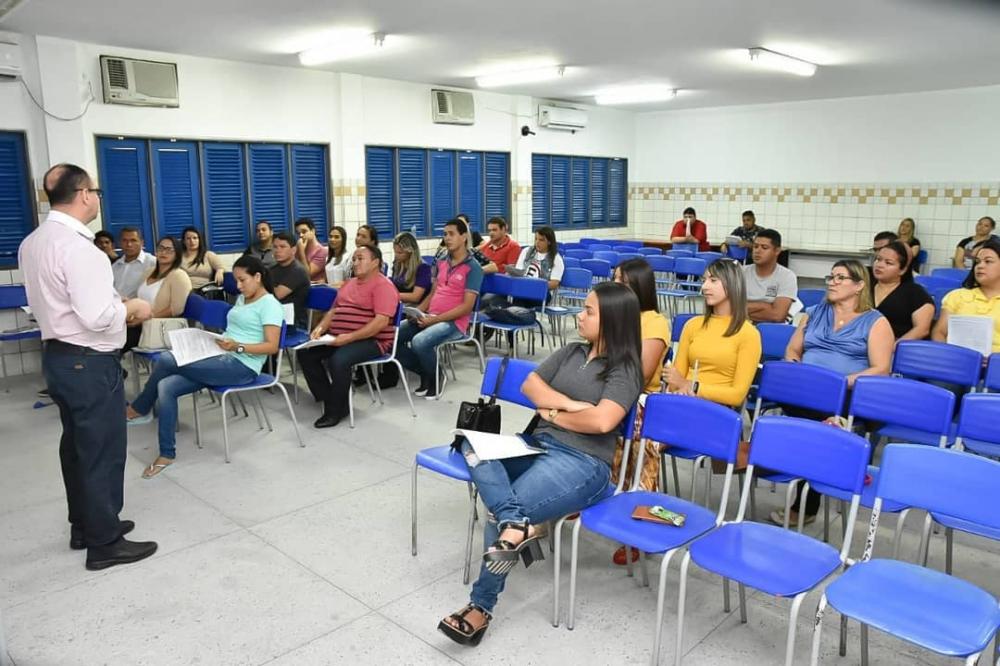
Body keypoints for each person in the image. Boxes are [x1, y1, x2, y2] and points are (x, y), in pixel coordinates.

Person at [437, 281, 643, 646]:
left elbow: (601, 423)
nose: (580, 315)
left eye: (589, 311)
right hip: (538, 443)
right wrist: (573, 407)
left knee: (498, 508)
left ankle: (480, 607)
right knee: (469, 444)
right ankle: (516, 523)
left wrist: (553, 412)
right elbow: (531, 386)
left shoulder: (625, 369)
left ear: (611, 320)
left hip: (585, 462)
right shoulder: (571, 352)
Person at [20, 163, 157, 570]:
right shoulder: (82, 250)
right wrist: (132, 307)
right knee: (101, 450)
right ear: (83, 194)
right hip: (89, 362)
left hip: (59, 359)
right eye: (95, 191)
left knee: (77, 448)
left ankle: (85, 524)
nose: (98, 198)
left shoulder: (34, 242)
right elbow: (97, 316)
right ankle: (105, 543)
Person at [126, 256, 283, 478]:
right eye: (236, 281)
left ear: (258, 277)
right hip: (219, 357)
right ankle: (167, 454)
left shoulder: (270, 305)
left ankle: (139, 408)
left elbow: (272, 347)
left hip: (241, 366)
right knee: (166, 386)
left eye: (242, 280)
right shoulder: (243, 298)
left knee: (166, 359)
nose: (238, 286)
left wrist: (237, 347)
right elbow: (235, 329)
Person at [777, 259, 893, 525]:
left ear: (859, 285)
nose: (832, 282)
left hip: (847, 393)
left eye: (841, 278)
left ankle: (805, 503)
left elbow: (881, 369)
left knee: (818, 426)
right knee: (806, 418)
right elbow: (793, 350)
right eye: (831, 277)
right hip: (806, 390)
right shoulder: (814, 312)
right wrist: (795, 368)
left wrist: (842, 382)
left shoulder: (875, 322)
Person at [299, 245, 400, 428]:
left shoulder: (383, 286)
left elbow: (380, 323)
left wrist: (349, 337)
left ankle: (335, 411)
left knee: (339, 360)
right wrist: (321, 328)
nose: (355, 262)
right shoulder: (350, 283)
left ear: (376, 262)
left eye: (360, 258)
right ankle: (331, 398)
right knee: (306, 354)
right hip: (339, 337)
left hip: (373, 341)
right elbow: (334, 310)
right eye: (354, 259)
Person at [397, 217, 483, 400]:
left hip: (454, 322)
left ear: (463, 237)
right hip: (430, 316)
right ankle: (426, 373)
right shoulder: (441, 261)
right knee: (393, 339)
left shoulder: (473, 267)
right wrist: (418, 312)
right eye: (445, 234)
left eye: (451, 234)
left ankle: (437, 377)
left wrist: (434, 319)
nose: (447, 238)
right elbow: (433, 293)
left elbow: (467, 307)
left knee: (420, 342)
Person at [665, 259, 762, 407]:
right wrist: (683, 385)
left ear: (732, 285)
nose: (704, 286)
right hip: (684, 401)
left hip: (717, 410)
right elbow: (674, 383)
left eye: (713, 280)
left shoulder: (749, 334)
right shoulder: (692, 325)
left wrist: (692, 386)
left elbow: (737, 396)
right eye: (704, 280)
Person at [125, 236, 193, 351]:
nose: (163, 252)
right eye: (161, 248)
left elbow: (176, 309)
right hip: (140, 322)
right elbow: (138, 297)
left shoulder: (179, 275)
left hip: (157, 326)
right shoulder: (149, 271)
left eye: (169, 249)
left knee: (123, 340)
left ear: (177, 254)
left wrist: (145, 319)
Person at [934, 237, 1000, 354]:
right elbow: (939, 333)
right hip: (957, 362)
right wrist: (947, 356)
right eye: (977, 262)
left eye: (988, 261)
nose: (980, 266)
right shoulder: (957, 296)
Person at [872, 241, 934, 341]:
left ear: (903, 270)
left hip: (898, 348)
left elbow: (922, 329)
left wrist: (894, 347)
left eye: (888, 263)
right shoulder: (863, 286)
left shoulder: (915, 293)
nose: (879, 265)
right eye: (878, 259)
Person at [744, 229, 798, 323]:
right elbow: (728, 308)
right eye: (755, 246)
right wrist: (764, 306)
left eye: (764, 248)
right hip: (742, 327)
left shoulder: (787, 276)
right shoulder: (740, 272)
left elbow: (778, 316)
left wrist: (741, 309)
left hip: (769, 329)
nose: (757, 251)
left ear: (777, 251)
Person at [270, 231, 311, 330]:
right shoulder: (273, 269)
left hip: (293, 323)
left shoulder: (298, 271)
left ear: (293, 250)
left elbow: (276, 295)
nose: (277, 250)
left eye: (282, 247)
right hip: (274, 318)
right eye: (275, 247)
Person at [111, 226, 156, 299]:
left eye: (133, 240)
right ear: (120, 243)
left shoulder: (152, 263)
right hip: (117, 308)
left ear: (142, 243)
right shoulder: (115, 266)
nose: (129, 244)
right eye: (125, 240)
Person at [179, 226, 225, 292]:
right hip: (185, 290)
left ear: (199, 240)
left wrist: (220, 271)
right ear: (184, 241)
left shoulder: (208, 255)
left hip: (205, 291)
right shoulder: (179, 257)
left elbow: (221, 267)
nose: (192, 241)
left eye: (195, 238)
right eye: (188, 238)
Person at [392, 231, 432, 304]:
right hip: (401, 304)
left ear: (410, 252)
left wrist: (391, 295)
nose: (396, 255)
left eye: (400, 253)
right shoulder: (397, 264)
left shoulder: (423, 268)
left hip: (415, 307)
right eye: (395, 252)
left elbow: (415, 297)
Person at [295, 218, 328, 282]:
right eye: (298, 233)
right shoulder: (298, 247)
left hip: (314, 288)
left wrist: (301, 252)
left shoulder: (322, 251)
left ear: (313, 231)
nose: (301, 235)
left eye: (304, 231)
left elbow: (308, 275)